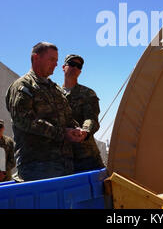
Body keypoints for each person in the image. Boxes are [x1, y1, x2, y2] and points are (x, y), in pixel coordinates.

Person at [5, 42, 85, 182]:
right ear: (36, 58)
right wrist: (62, 133)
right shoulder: (23, 86)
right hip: (38, 166)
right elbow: (25, 121)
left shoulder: (54, 88)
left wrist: (76, 129)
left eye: (56, 60)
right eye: (52, 59)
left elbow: (67, 117)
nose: (55, 64)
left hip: (65, 164)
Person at [62, 54, 104, 173]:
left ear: (80, 71)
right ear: (64, 67)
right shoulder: (54, 94)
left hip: (87, 156)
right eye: (72, 64)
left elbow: (91, 118)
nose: (75, 68)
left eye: (79, 66)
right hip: (63, 158)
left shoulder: (87, 93)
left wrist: (85, 131)